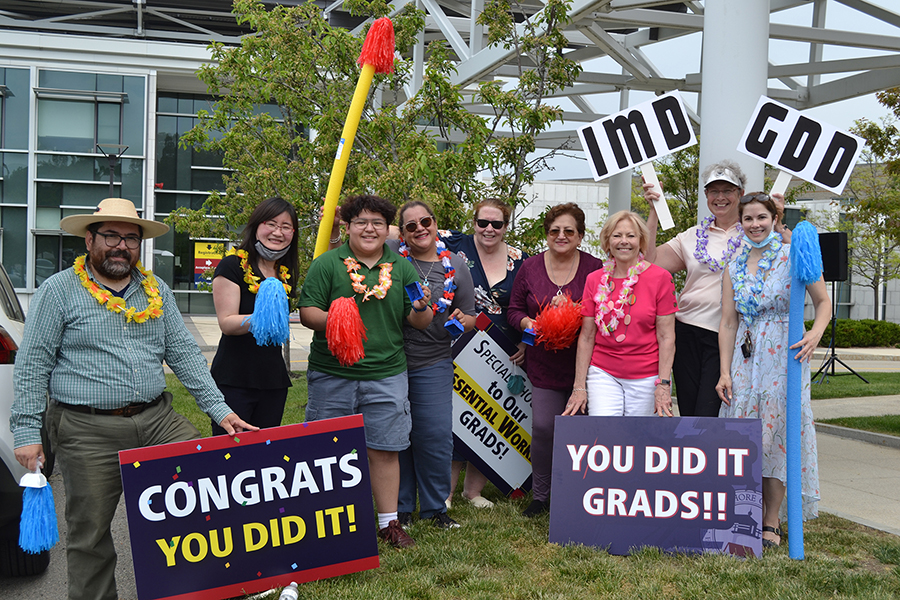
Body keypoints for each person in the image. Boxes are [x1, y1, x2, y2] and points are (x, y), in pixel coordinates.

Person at [10, 197, 257, 600]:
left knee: (207, 493)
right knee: (90, 533)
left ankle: (202, 589)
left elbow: (183, 354)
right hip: (87, 427)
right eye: (111, 235)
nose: (121, 245)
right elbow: (33, 365)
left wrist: (221, 410)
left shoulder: (155, 288)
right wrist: (25, 431)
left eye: (131, 238)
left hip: (158, 419)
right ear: (89, 240)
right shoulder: (58, 291)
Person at [299, 194, 433, 549]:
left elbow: (419, 321)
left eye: (377, 222)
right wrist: (340, 320)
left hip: (387, 373)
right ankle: (327, 524)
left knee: (385, 449)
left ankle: (389, 523)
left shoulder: (402, 268)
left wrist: (422, 307)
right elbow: (307, 312)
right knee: (327, 450)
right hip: (332, 373)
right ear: (348, 227)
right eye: (361, 222)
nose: (369, 229)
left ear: (388, 229)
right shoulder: (327, 264)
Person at [715, 192, 830, 548]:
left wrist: (814, 334)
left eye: (761, 217)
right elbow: (728, 322)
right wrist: (724, 371)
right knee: (745, 436)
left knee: (778, 436)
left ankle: (771, 520)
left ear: (773, 217)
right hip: (746, 359)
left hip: (785, 355)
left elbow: (823, 302)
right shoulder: (733, 266)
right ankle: (744, 513)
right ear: (741, 223)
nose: (755, 225)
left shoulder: (793, 255)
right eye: (748, 219)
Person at [508, 203, 603, 517]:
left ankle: (576, 493)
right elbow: (514, 310)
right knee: (545, 427)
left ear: (580, 236)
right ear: (546, 234)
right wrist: (527, 324)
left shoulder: (595, 267)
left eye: (568, 231)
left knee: (579, 430)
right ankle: (541, 495)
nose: (561, 236)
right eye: (554, 231)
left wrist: (574, 314)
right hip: (544, 363)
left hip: (585, 364)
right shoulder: (530, 267)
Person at [387, 200, 477, 529]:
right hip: (393, 361)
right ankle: (401, 508)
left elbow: (471, 315)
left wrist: (461, 319)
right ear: (403, 234)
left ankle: (436, 508)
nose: (420, 229)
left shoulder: (455, 264)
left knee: (436, 435)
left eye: (425, 221)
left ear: (435, 223)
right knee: (398, 436)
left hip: (434, 359)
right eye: (410, 226)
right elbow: (370, 233)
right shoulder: (392, 261)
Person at [439, 198, 528, 509]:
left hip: (501, 348)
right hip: (458, 343)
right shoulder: (452, 244)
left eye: (497, 224)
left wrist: (525, 343)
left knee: (488, 416)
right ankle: (446, 493)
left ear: (506, 226)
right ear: (473, 222)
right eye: (483, 222)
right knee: (455, 416)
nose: (489, 229)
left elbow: (526, 305)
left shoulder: (521, 260)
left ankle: (472, 492)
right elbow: (409, 228)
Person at [643, 161, 750, 417]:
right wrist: (654, 212)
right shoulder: (691, 236)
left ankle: (711, 456)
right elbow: (649, 261)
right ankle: (695, 457)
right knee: (690, 412)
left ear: (740, 194)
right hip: (687, 331)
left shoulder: (753, 234)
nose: (720, 197)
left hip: (727, 334)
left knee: (709, 411)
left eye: (728, 190)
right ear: (706, 195)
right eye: (714, 191)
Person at [565, 211, 677, 418]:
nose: (624, 242)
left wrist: (663, 384)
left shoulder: (661, 278)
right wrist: (579, 387)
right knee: (605, 434)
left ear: (641, 241)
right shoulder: (594, 279)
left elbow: (666, 336)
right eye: (617, 236)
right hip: (603, 373)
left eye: (631, 236)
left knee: (639, 440)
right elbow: (587, 336)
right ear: (607, 242)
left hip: (647, 376)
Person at [209, 197, 299, 435]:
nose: (278, 232)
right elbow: (227, 322)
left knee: (264, 456)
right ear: (256, 226)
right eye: (271, 223)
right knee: (229, 453)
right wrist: (264, 318)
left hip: (273, 379)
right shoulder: (232, 266)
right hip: (235, 377)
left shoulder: (285, 273)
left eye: (286, 227)